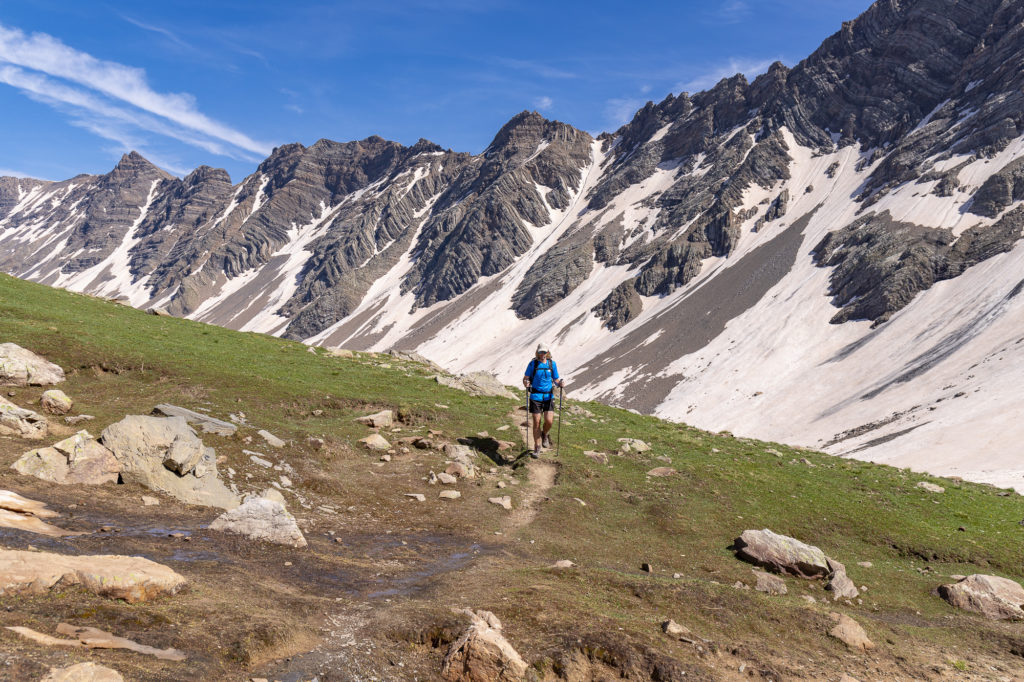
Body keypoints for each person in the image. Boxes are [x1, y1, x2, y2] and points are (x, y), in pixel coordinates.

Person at [523, 343, 565, 458]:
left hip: (548, 397)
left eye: (544, 352)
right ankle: (537, 447)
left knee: (549, 421)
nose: (542, 354)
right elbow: (526, 378)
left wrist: (560, 383)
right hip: (535, 396)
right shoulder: (532, 364)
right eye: (540, 352)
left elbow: (555, 379)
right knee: (536, 422)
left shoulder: (552, 364)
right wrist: (526, 384)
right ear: (537, 352)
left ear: (547, 352)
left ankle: (545, 434)